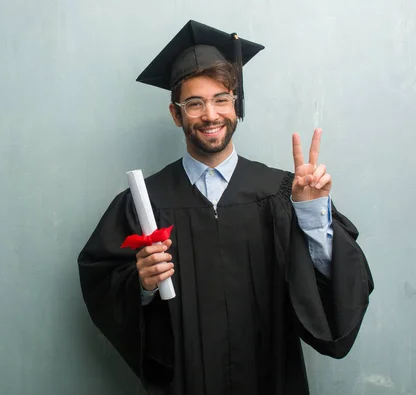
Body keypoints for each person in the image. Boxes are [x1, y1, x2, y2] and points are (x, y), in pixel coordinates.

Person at [77, 20, 374, 395]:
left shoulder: (283, 193)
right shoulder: (145, 202)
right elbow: (101, 281)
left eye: (221, 99)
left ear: (236, 105)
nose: (211, 115)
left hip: (271, 380)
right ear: (176, 114)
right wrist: (142, 285)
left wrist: (313, 216)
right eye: (195, 103)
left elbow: (343, 286)